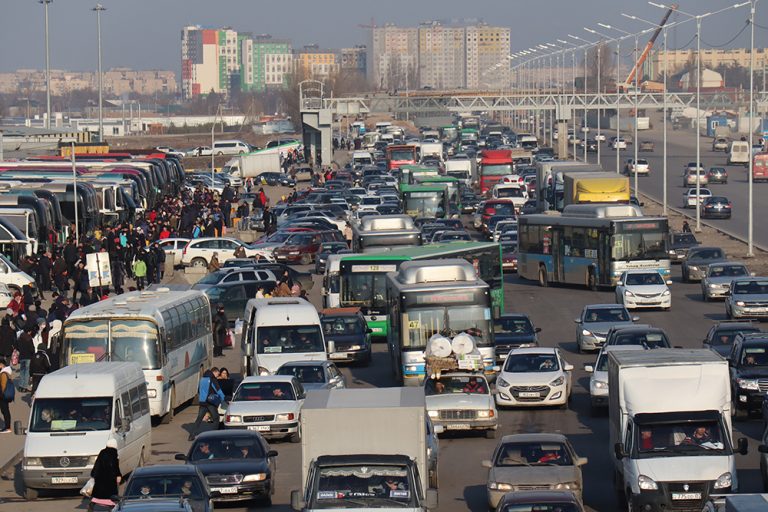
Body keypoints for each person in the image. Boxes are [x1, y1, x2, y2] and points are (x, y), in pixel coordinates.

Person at [189, 367, 225, 441]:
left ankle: (191, 435)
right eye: (217, 374)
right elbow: (217, 389)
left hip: (202, 402)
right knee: (216, 418)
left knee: (199, 419)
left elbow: (199, 390)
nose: (217, 376)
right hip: (210, 402)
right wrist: (223, 398)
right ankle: (213, 435)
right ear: (214, 372)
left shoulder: (202, 379)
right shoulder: (212, 379)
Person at [88, 439, 122, 512]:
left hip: (100, 477)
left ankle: (93, 503)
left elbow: (97, 464)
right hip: (109, 478)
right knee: (110, 496)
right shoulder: (114, 453)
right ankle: (112, 508)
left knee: (98, 494)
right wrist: (118, 475)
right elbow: (115, 466)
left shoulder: (102, 452)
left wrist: (94, 474)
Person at [0, 358, 12, 433]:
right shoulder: (6, 372)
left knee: (5, 410)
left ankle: (7, 427)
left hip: (3, 395)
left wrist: (1, 393)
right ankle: (7, 426)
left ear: (2, 364)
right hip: (5, 395)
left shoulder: (3, 373)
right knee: (5, 410)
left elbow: (3, 385)